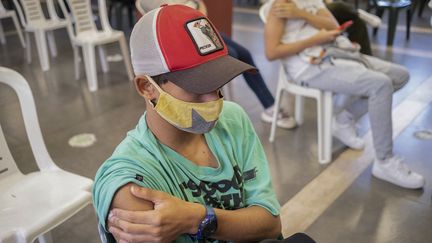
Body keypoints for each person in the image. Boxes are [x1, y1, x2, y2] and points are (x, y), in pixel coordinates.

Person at [92, 4, 310, 243]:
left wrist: (196, 218)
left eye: (217, 82)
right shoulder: (133, 181)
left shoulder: (233, 118)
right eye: (197, 86)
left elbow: (269, 224)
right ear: (147, 87)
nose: (213, 100)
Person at [264, 0, 425, 189]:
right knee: (380, 85)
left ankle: (343, 118)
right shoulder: (280, 6)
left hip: (334, 53)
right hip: (308, 66)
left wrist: (302, 13)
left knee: (400, 75)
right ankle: (385, 161)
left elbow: (333, 25)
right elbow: (271, 52)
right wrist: (314, 39)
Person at [137, 0, 297, 129]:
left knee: (243, 55)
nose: (214, 98)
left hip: (199, 31)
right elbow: (158, 22)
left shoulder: (237, 119)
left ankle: (269, 105)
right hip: (179, 42)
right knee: (232, 54)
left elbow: (199, 8)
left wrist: (197, 18)